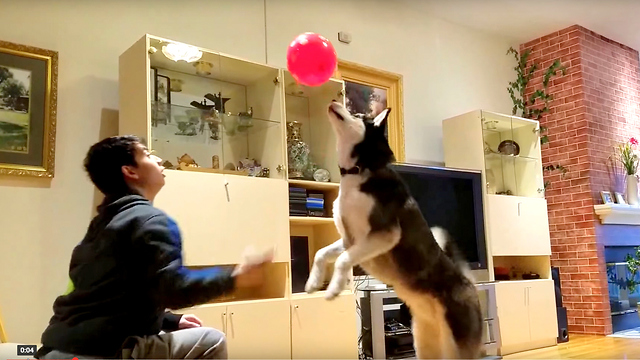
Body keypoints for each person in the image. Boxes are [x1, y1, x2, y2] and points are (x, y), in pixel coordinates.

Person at [36, 135, 271, 359]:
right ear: (130, 171)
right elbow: (173, 289)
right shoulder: (150, 220)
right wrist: (235, 277)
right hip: (104, 350)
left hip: (55, 348)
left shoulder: (98, 228)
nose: (159, 160)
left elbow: (114, 296)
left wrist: (169, 320)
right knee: (212, 340)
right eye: (148, 155)